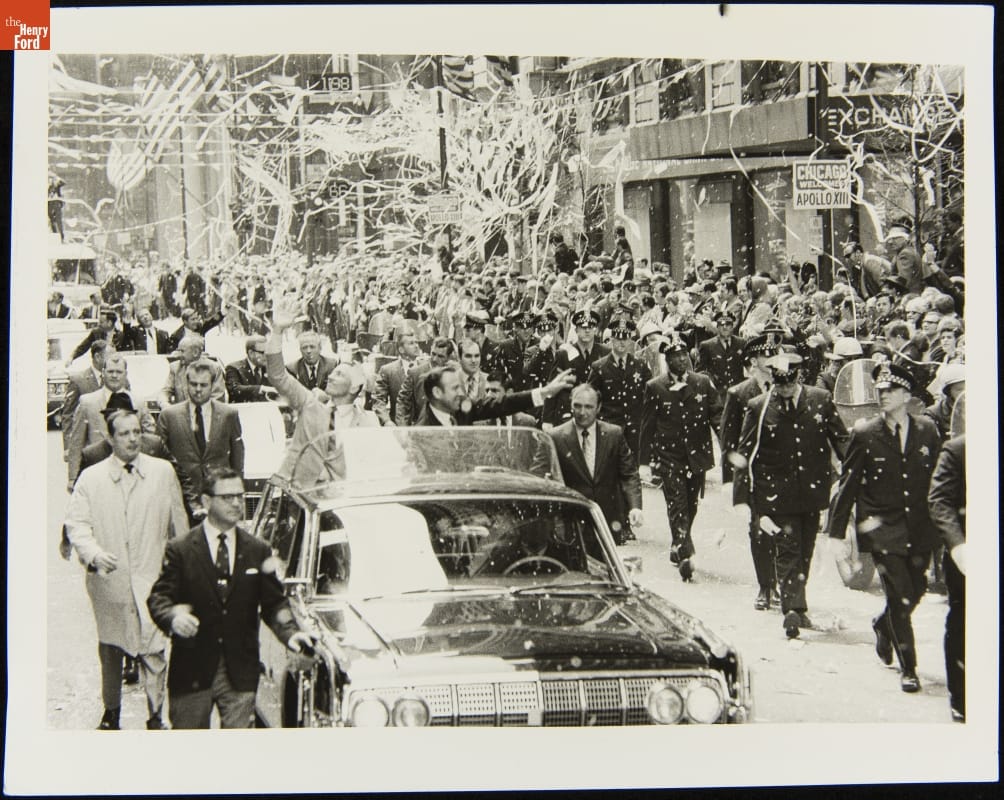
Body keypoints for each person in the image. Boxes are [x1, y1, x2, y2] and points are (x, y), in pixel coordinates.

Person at [146, 467, 317, 729]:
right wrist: (173, 618)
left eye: (240, 495)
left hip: (240, 672)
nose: (237, 503)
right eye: (227, 497)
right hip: (192, 670)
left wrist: (291, 633)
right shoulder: (181, 550)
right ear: (206, 501)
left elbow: (274, 603)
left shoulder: (257, 550)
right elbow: (159, 598)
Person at [64, 407, 189, 730]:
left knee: (155, 645)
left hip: (154, 575)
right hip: (110, 578)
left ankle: (155, 714)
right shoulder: (92, 478)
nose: (133, 439)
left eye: (137, 432)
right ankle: (112, 712)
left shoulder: (162, 473)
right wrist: (94, 554)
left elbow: (179, 524)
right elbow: (77, 524)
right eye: (124, 433)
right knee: (112, 644)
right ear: (110, 438)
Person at [826, 363, 943, 694]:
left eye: (890, 390)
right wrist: (836, 533)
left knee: (916, 589)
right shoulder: (866, 434)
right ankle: (910, 668)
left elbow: (938, 479)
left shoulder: (927, 431)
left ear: (906, 395)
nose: (883, 395)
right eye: (880, 390)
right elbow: (848, 485)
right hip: (882, 527)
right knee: (898, 591)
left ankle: (883, 624)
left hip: (920, 526)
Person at [733, 349, 848, 636]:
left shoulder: (820, 401)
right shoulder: (759, 407)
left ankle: (798, 601)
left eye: (789, 382)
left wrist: (854, 468)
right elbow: (744, 453)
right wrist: (741, 498)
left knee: (805, 551)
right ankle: (792, 610)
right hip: (775, 495)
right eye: (779, 382)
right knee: (787, 549)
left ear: (799, 377)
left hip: (811, 492)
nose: (784, 388)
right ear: (773, 379)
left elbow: (841, 439)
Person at [267, 302, 380, 487]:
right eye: (334, 372)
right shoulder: (310, 405)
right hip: (304, 495)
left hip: (343, 497)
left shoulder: (369, 421)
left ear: (354, 387)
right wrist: (278, 330)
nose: (332, 376)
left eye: (340, 374)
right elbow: (277, 376)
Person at [639, 334, 721, 582]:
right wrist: (644, 462)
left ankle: (679, 541)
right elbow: (647, 426)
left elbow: (716, 416)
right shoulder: (655, 387)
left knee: (691, 503)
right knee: (677, 502)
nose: (681, 360)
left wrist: (728, 444)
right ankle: (685, 551)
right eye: (675, 356)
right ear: (667, 360)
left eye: (684, 354)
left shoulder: (703, 383)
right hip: (669, 455)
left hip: (696, 455)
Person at [718, 332, 781, 608]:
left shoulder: (785, 388)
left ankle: (779, 583)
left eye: (773, 355)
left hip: (783, 471)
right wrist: (729, 479)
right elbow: (728, 439)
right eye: (765, 356)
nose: (770, 361)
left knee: (782, 531)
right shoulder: (740, 393)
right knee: (758, 530)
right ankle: (765, 586)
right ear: (754, 361)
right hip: (755, 473)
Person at [549, 384, 643, 546]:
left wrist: (635, 507)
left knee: (606, 569)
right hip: (571, 520)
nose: (582, 412)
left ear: (598, 407)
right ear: (571, 404)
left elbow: (628, 474)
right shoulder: (555, 437)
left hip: (606, 519)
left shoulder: (614, 434)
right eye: (577, 406)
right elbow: (542, 475)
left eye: (588, 407)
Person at [157, 360, 245, 523]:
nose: (198, 390)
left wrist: (235, 493)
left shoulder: (228, 415)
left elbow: (237, 458)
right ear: (186, 384)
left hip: (218, 498)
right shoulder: (169, 416)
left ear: (212, 386)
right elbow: (160, 460)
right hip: (182, 501)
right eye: (194, 384)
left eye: (203, 385)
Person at [65, 352, 154, 488]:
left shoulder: (138, 402)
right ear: (103, 373)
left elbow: (150, 437)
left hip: (131, 470)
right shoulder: (87, 402)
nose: (114, 375)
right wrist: (72, 477)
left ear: (125, 374)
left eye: (119, 372)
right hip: (96, 471)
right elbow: (77, 441)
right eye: (110, 371)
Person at [928, 434, 966, 721]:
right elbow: (940, 501)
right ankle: (961, 698)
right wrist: (958, 544)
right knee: (962, 621)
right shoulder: (958, 449)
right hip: (967, 553)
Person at [414, 363, 574, 427]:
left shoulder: (460, 407)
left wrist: (544, 392)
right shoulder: (424, 430)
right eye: (454, 389)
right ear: (437, 392)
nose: (460, 393)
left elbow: (499, 405)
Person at [586, 315, 651, 461]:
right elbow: (590, 397)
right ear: (612, 340)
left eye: (625, 338)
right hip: (609, 427)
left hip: (634, 429)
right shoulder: (599, 367)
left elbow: (649, 396)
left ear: (630, 341)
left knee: (632, 470)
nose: (622, 342)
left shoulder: (640, 365)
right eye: (618, 338)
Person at [543, 308, 610, 426]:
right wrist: (547, 420)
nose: (587, 331)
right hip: (568, 413)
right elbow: (552, 387)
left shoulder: (604, 352)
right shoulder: (563, 354)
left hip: (596, 413)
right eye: (583, 327)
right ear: (576, 330)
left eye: (591, 327)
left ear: (595, 329)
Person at [395, 337, 456, 426]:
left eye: (440, 356)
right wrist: (403, 428)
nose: (435, 359)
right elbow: (403, 403)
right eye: (433, 354)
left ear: (449, 357)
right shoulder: (415, 373)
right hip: (421, 429)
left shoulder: (454, 375)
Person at [60, 339, 108, 452]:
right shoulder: (78, 380)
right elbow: (68, 414)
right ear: (97, 357)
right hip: (87, 446)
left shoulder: (114, 378)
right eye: (109, 356)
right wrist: (68, 447)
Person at [371, 329, 423, 426]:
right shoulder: (388, 370)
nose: (416, 346)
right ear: (401, 349)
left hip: (424, 428)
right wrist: (386, 421)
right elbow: (378, 399)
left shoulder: (425, 368)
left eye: (416, 342)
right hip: (397, 426)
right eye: (411, 343)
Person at [159, 334, 227, 407]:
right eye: (178, 351)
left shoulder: (214, 368)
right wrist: (164, 404)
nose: (177, 355)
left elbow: (217, 398)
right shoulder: (175, 367)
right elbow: (165, 392)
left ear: (195, 352)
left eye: (182, 351)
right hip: (181, 415)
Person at [696, 310, 745, 408]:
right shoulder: (707, 346)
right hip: (718, 395)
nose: (725, 327)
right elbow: (700, 373)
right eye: (721, 324)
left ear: (733, 326)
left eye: (728, 324)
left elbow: (748, 368)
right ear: (717, 326)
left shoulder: (741, 343)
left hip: (738, 392)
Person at [223, 335, 274, 403]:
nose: (267, 355)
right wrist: (261, 388)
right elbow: (235, 389)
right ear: (251, 353)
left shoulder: (270, 368)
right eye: (263, 352)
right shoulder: (234, 368)